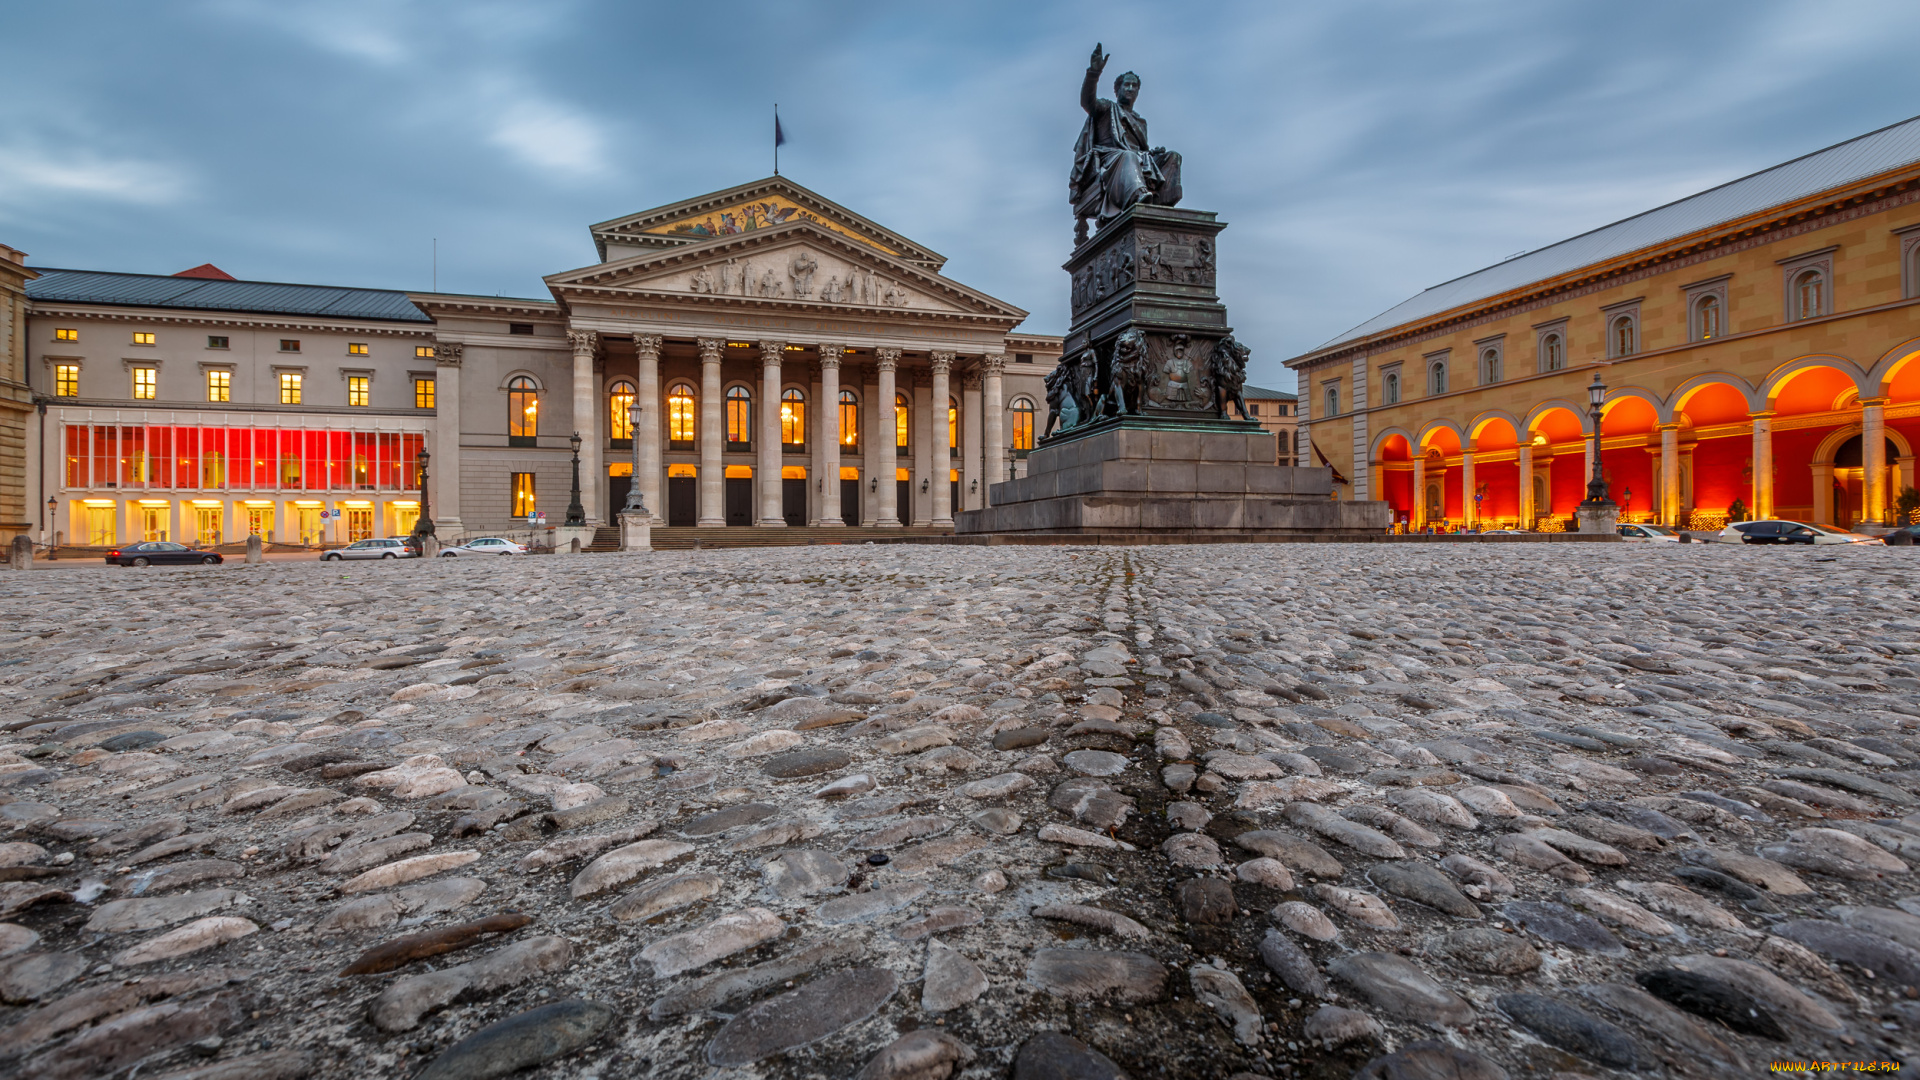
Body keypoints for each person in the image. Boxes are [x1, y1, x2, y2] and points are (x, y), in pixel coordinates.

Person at [1070, 43, 1183, 236]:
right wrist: (1093, 74)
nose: (1130, 88)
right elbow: (1087, 102)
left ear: (1138, 91)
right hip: (1109, 160)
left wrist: (1151, 154)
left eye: (1134, 86)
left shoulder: (1141, 121)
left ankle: (1162, 205)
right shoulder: (1107, 108)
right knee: (1128, 156)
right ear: (1117, 90)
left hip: (1135, 160)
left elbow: (1141, 150)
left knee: (1173, 157)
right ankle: (1138, 196)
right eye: (1126, 85)